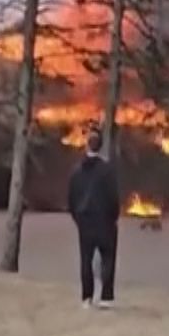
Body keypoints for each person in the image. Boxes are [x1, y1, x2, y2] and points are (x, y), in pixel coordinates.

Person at [66, 129, 121, 309]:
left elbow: (71, 199)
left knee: (86, 260)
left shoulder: (76, 172)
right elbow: (114, 198)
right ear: (101, 146)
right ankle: (106, 296)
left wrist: (78, 219)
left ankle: (86, 297)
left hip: (85, 222)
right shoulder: (108, 171)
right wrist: (113, 217)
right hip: (105, 221)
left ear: (86, 145)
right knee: (108, 258)